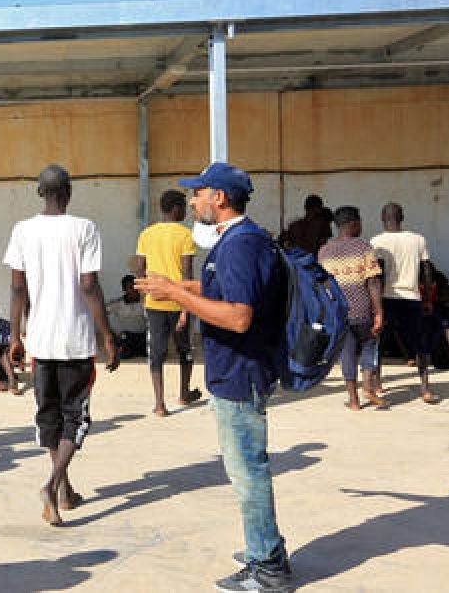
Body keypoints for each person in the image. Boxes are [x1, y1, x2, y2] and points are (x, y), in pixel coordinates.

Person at [136, 162, 293, 593]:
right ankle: (263, 545)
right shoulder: (237, 241)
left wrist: (174, 294)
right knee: (244, 469)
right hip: (235, 372)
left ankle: (269, 566)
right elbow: (222, 290)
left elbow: (239, 316)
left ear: (218, 199)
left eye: (198, 193)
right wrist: (177, 285)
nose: (192, 201)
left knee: (248, 473)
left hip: (241, 374)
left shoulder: (241, 245)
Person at [5, 165, 120, 528]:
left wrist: (14, 335)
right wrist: (107, 334)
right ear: (68, 191)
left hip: (40, 340)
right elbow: (89, 287)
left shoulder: (22, 230)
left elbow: (18, 288)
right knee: (76, 418)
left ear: (40, 192)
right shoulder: (84, 229)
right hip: (74, 341)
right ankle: (52, 485)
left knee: (51, 416)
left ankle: (64, 493)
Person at [130, 189, 201, 416]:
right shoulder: (185, 235)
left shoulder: (146, 234)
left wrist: (145, 295)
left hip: (155, 303)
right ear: (176, 208)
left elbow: (139, 268)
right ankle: (184, 393)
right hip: (179, 301)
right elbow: (187, 273)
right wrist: (186, 309)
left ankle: (159, 404)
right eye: (183, 206)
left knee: (156, 353)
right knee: (185, 350)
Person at [370, 203, 440, 404]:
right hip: (412, 298)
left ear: (382, 218)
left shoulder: (377, 241)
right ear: (402, 216)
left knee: (379, 343)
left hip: (387, 298)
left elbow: (377, 274)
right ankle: (425, 389)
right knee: (419, 344)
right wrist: (427, 298)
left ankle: (377, 383)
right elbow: (426, 271)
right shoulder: (418, 239)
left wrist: (375, 304)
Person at [317, 206, 385, 410]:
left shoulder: (324, 251)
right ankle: (367, 385)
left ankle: (354, 400)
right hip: (362, 308)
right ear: (354, 223)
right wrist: (379, 311)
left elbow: (323, 285)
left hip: (338, 311)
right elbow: (373, 282)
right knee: (370, 343)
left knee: (346, 353)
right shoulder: (364, 247)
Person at [106, 277, 149, 361]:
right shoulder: (116, 304)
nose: (133, 290)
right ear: (124, 289)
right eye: (130, 288)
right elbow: (101, 314)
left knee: (151, 350)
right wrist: (109, 333)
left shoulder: (145, 303)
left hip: (142, 336)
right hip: (125, 337)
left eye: (135, 287)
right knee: (124, 344)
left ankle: (136, 350)